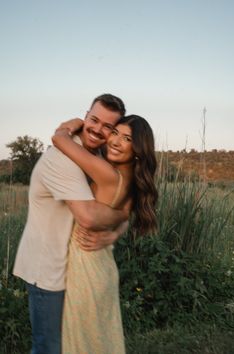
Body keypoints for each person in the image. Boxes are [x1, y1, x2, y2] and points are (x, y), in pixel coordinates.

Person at [13, 94, 129, 354]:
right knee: (49, 347)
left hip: (76, 270)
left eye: (107, 127)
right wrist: (121, 218)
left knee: (73, 344)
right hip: (48, 271)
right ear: (86, 116)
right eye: (94, 120)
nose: (98, 129)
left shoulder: (95, 155)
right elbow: (88, 216)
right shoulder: (61, 158)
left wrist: (115, 232)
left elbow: (123, 205)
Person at [52, 114, 158, 354]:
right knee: (100, 339)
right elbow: (124, 216)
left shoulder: (107, 173)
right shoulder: (132, 181)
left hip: (86, 267)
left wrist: (73, 124)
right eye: (115, 133)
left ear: (138, 149)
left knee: (82, 342)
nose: (115, 141)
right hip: (102, 264)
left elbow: (58, 140)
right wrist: (114, 234)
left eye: (127, 138)